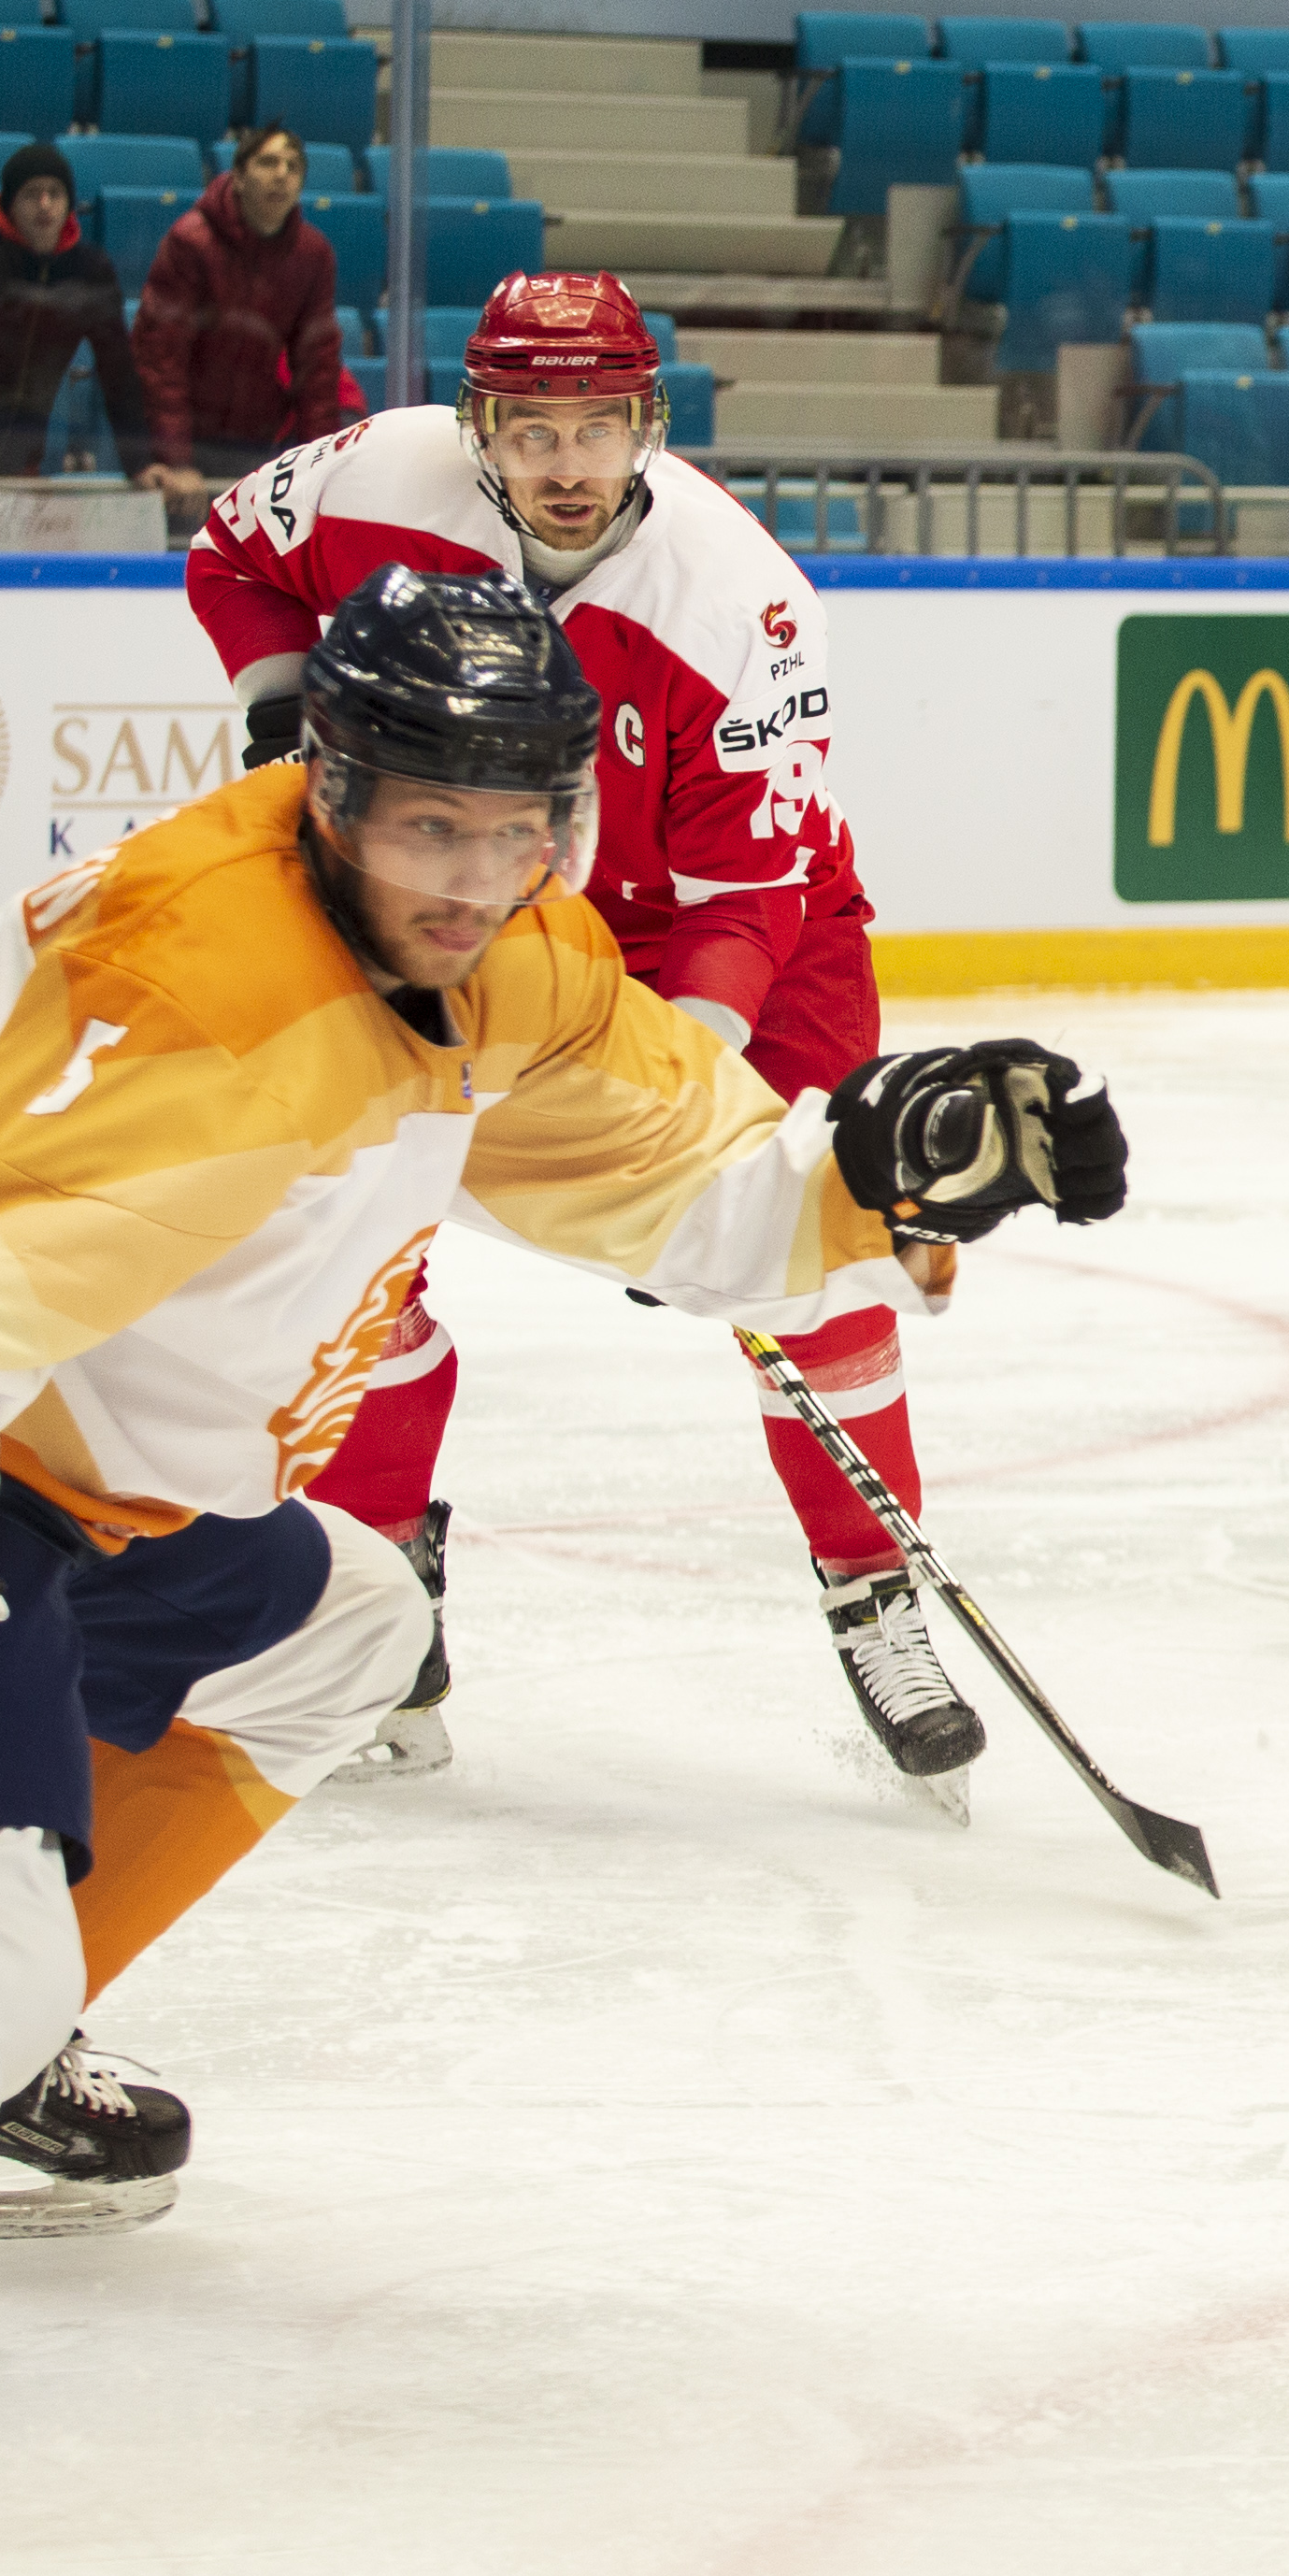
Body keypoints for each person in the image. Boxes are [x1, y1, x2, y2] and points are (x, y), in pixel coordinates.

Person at [0, 568, 1124, 2565]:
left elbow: (673, 1182)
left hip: (38, 1415)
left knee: (345, 1625)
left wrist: (868, 1175)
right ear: (333, 791)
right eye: (426, 824)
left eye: (517, 826)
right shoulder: (225, 1003)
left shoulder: (505, 949)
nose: (472, 875)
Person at [187, 271, 991, 1792]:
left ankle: (875, 1593)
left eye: (600, 427)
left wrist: (670, 1125)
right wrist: (285, 710)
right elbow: (232, 551)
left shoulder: (739, 602)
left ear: (648, 424)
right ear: (477, 425)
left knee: (817, 1256)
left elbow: (744, 900)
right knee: (364, 1240)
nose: (567, 464)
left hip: (743, 934)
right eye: (533, 429)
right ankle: (384, 1611)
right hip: (478, 902)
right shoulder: (380, 474)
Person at [0, 142, 160, 515]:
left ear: (69, 204)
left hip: (18, 449)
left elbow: (117, 370)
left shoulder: (90, 271)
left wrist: (140, 463)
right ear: (10, 204)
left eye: (55, 193)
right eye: (31, 194)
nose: (44, 205)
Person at [133, 125, 343, 500]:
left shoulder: (313, 255)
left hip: (258, 446)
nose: (282, 174)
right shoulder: (191, 241)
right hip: (186, 445)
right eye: (268, 162)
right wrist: (176, 460)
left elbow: (318, 370)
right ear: (239, 178)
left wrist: (321, 470)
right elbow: (162, 357)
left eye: (293, 166)